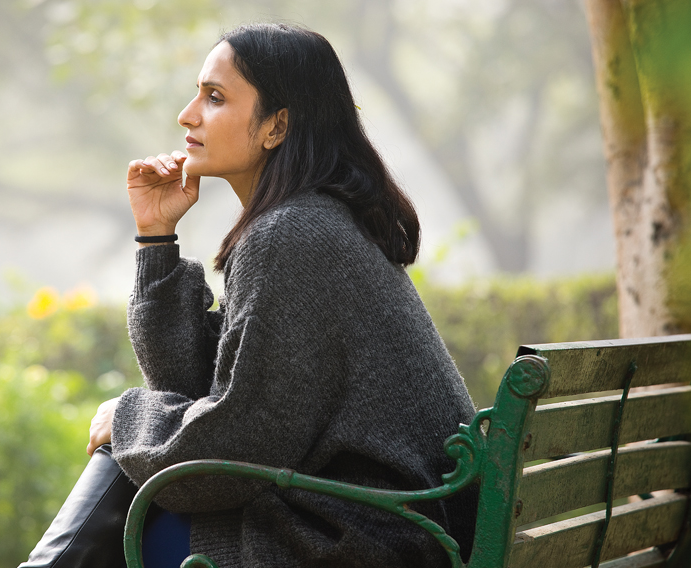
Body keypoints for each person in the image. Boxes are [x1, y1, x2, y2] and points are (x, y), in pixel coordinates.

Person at [86, 22, 477, 568]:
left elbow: (234, 447)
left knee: (128, 487)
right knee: (134, 479)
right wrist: (156, 237)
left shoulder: (294, 234)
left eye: (215, 97)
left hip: (365, 542)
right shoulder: (306, 222)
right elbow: (198, 392)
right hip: (392, 529)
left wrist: (125, 419)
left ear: (277, 126)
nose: (187, 114)